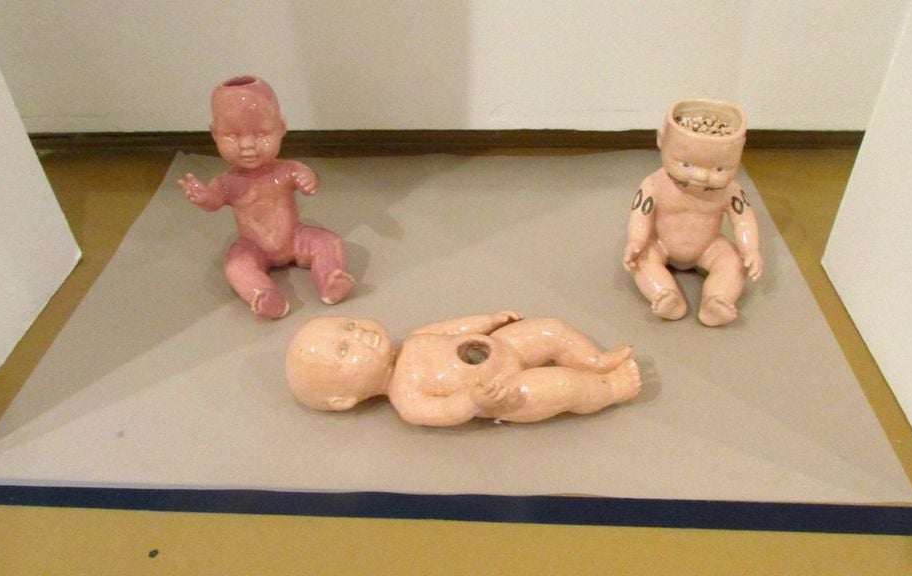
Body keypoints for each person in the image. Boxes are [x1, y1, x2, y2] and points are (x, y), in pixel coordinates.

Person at [178, 75, 354, 319]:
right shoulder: (227, 182)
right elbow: (214, 201)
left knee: (327, 241)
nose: (247, 145)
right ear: (214, 134)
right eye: (232, 136)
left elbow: (308, 178)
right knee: (236, 265)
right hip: (253, 247)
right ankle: (263, 294)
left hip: (295, 238)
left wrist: (308, 179)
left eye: (261, 134)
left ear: (281, 127)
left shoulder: (287, 170)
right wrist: (204, 197)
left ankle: (330, 278)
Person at [286, 311, 641, 427]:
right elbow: (443, 411)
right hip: (505, 392)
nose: (359, 334)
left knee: (551, 328)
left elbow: (453, 328)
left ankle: (594, 361)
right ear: (343, 400)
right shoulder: (406, 398)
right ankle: (610, 389)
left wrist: (487, 321)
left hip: (503, 345)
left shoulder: (414, 338)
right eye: (345, 349)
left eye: (349, 326)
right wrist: (473, 402)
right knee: (562, 385)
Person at [623, 100, 763, 326]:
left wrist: (750, 249)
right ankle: (665, 294)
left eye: (719, 169)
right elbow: (641, 214)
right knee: (641, 259)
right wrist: (636, 240)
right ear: (662, 140)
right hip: (661, 243)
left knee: (735, 262)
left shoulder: (730, 190)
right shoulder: (654, 185)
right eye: (686, 164)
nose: (701, 177)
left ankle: (717, 299)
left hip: (710, 246)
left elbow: (743, 219)